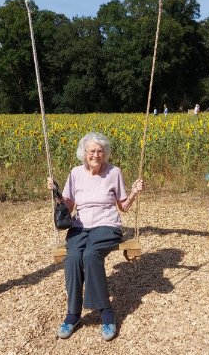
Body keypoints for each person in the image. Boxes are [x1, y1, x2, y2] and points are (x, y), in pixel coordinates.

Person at [47, 132, 144, 341]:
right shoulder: (75, 173)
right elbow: (69, 206)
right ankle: (73, 314)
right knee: (72, 257)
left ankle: (106, 312)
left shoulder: (114, 172)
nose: (96, 155)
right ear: (84, 153)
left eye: (100, 151)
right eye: (92, 151)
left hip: (107, 226)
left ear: (105, 154)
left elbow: (123, 207)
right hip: (80, 225)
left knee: (91, 255)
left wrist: (135, 191)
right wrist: (56, 196)